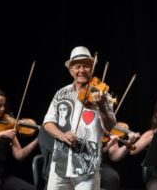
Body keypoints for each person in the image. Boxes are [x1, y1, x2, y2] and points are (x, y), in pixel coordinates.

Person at [43, 46, 116, 190]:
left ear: (92, 69)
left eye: (86, 66)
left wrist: (101, 106)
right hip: (60, 164)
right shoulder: (61, 93)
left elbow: (110, 126)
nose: (82, 70)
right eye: (77, 66)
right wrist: (62, 135)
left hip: (87, 166)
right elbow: (48, 122)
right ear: (71, 70)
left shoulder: (102, 95)